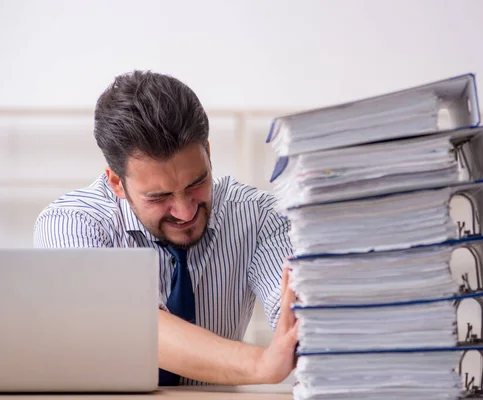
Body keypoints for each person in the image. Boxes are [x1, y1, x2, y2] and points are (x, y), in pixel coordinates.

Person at [33, 70, 299, 386]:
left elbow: (298, 313)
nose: (185, 211)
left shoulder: (258, 217)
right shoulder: (70, 224)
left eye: (197, 182)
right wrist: (260, 364)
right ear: (117, 182)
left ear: (209, 154)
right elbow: (131, 323)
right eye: (159, 196)